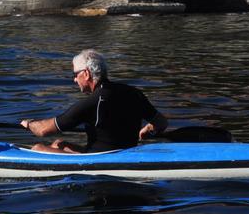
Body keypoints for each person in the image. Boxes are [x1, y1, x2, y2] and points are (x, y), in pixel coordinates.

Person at [20, 49, 167, 153]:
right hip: (124, 153)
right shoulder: (134, 93)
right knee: (59, 144)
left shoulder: (93, 102)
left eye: (76, 74)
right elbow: (161, 123)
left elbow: (44, 130)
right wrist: (148, 130)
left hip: (101, 158)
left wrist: (29, 123)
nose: (74, 79)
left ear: (86, 73)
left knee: (37, 148)